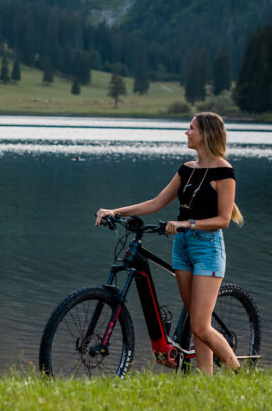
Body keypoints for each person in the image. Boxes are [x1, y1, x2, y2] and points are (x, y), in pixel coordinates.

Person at [95, 112, 244, 374]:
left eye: (191, 129)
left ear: (206, 134)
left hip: (207, 248)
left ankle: (240, 372)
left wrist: (187, 224)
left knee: (199, 325)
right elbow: (155, 203)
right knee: (197, 320)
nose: (186, 133)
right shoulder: (186, 169)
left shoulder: (224, 171)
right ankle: (207, 381)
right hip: (182, 246)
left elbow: (223, 220)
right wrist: (115, 212)